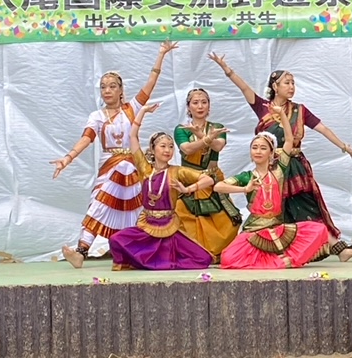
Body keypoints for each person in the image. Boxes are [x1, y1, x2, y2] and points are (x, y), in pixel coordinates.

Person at [209, 52, 352, 257]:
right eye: (287, 83)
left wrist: (344, 146)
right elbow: (244, 87)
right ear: (275, 86)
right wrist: (226, 69)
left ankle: (334, 247)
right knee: (276, 210)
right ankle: (284, 251)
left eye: (293, 83)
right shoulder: (263, 107)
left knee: (305, 207)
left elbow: (323, 128)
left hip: (294, 166)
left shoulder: (299, 110)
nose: (291, 87)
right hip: (271, 168)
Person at [51, 40, 178, 268]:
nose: (107, 90)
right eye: (103, 87)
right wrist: (67, 158)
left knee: (138, 210)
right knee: (98, 205)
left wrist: (161, 55)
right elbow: (87, 138)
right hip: (110, 167)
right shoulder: (97, 116)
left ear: (121, 90)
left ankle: (139, 251)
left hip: (133, 166)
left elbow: (151, 82)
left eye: (112, 86)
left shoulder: (132, 109)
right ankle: (81, 252)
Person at [215, 104, 352, 269]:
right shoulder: (247, 176)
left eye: (263, 148)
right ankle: (275, 262)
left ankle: (279, 261)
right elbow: (218, 187)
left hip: (276, 228)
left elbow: (289, 140)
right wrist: (244, 189)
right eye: (254, 148)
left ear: (271, 153)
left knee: (319, 230)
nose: (258, 151)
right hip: (253, 230)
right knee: (227, 258)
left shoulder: (279, 170)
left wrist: (282, 115)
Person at [109, 103, 214, 270]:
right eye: (163, 146)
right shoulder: (145, 169)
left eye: (171, 147)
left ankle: (152, 261)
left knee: (203, 258)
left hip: (169, 226)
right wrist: (143, 111)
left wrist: (187, 189)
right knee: (116, 239)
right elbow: (133, 136)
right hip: (147, 225)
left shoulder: (177, 171)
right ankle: (140, 261)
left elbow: (208, 180)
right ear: (153, 149)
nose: (167, 150)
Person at [173, 88, 241, 259]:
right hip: (190, 178)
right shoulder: (181, 129)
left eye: (204, 102)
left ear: (209, 106)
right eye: (195, 102)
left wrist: (201, 135)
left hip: (212, 178)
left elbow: (218, 146)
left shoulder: (217, 127)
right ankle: (195, 253)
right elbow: (187, 149)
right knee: (186, 215)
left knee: (225, 219)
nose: (200, 106)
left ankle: (215, 252)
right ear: (188, 107)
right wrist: (207, 138)